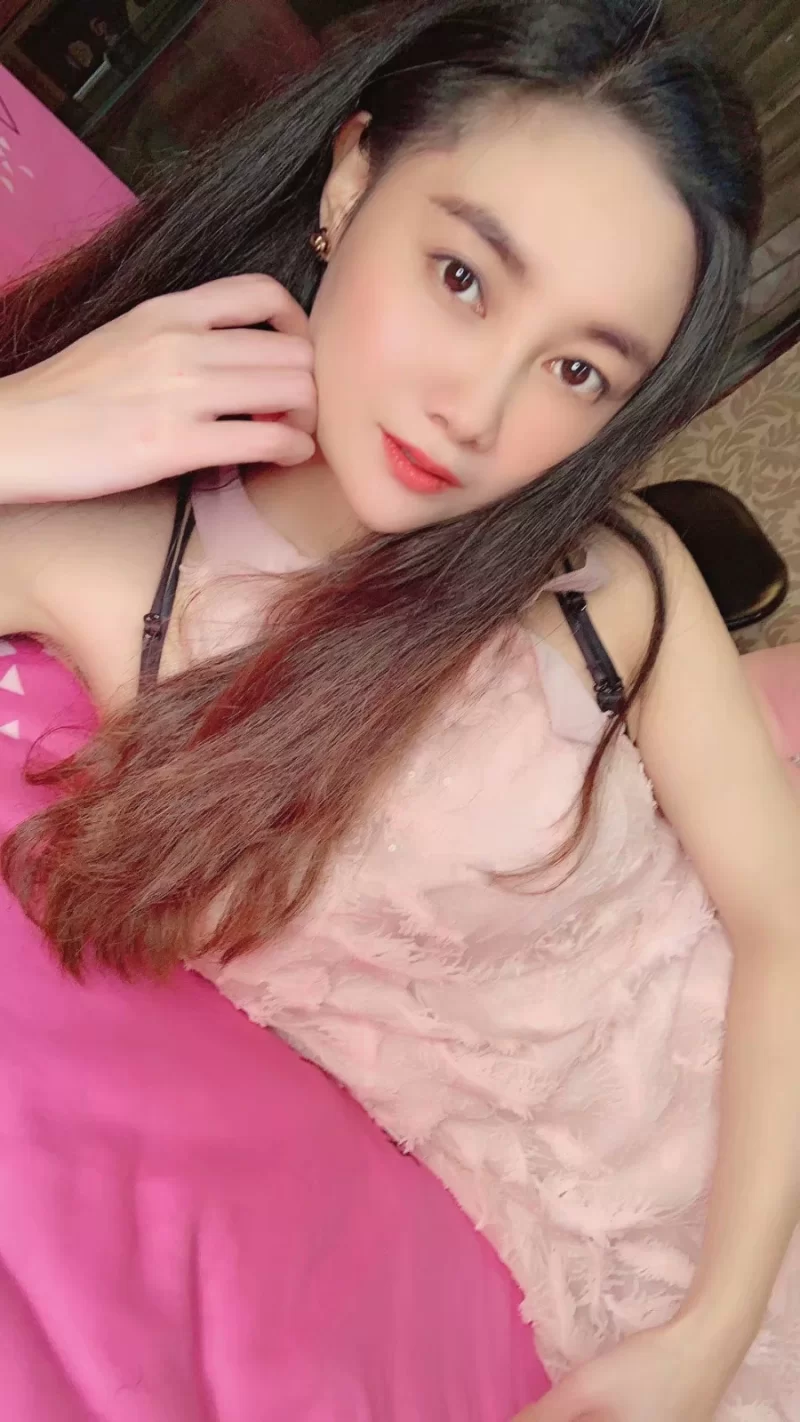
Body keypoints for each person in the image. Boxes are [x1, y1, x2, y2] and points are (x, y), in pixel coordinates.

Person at [0, 1, 798, 1419]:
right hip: (594, 1256)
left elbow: (783, 923)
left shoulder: (603, 578)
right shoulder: (118, 567)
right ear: (352, 174)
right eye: (463, 276)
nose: (476, 412)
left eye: (578, 371)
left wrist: (711, 1328)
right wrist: (25, 425)